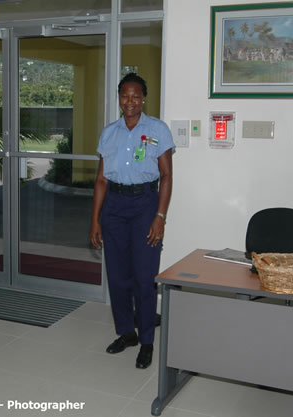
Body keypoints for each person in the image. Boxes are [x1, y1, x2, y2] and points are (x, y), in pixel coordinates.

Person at [89, 73, 174, 369]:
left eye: (136, 96)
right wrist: (95, 220)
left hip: (145, 205)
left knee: (144, 277)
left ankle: (147, 340)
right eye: (125, 95)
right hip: (114, 205)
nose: (130, 101)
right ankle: (127, 333)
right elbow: (100, 180)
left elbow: (166, 176)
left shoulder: (157, 130)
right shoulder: (109, 133)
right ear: (119, 97)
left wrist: (159, 216)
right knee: (118, 276)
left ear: (144, 98)